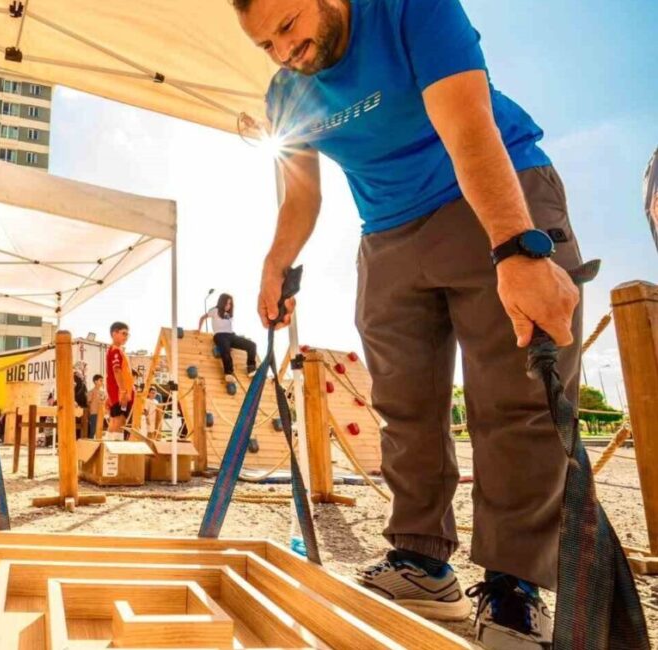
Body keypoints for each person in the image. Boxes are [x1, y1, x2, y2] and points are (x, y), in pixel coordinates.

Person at [234, 0, 583, 645]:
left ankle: (514, 585)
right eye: (267, 45)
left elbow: (466, 123)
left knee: (515, 396)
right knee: (404, 402)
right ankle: (422, 561)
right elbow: (303, 192)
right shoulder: (286, 92)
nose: (284, 52)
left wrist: (515, 248)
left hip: (493, 191)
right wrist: (275, 263)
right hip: (389, 231)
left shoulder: (410, 9)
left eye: (288, 27)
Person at [197, 293, 258, 385]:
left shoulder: (230, 315)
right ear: (221, 303)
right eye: (226, 304)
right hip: (220, 335)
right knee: (225, 349)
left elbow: (230, 329)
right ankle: (228, 373)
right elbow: (203, 317)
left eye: (230, 304)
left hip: (231, 336)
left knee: (252, 345)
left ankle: (251, 368)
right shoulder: (214, 310)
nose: (228, 306)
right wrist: (199, 329)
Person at [105, 322, 134, 435]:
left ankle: (108, 450)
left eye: (127, 334)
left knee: (115, 421)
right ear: (114, 333)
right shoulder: (115, 350)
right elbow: (117, 371)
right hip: (120, 393)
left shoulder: (116, 350)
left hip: (118, 393)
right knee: (119, 421)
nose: (126, 337)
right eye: (123, 333)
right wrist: (123, 390)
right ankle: (114, 451)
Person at [87, 374, 107, 438]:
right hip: (94, 413)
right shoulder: (91, 392)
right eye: (100, 380)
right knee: (93, 430)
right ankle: (91, 444)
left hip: (102, 413)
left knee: (100, 430)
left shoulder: (103, 392)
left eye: (102, 380)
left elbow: (105, 402)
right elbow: (88, 402)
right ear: (95, 381)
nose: (102, 382)